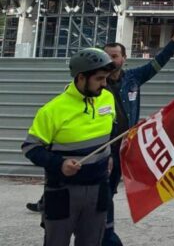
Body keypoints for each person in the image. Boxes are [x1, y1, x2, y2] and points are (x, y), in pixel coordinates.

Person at [96, 25, 174, 245]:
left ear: (124, 59)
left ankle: (102, 230)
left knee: (109, 191)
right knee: (103, 192)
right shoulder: (96, 84)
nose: (111, 60)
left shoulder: (133, 78)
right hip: (101, 149)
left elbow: (156, 65)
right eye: (106, 56)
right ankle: (106, 236)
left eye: (115, 56)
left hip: (124, 149)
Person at [22, 48, 117, 246]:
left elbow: (111, 133)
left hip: (98, 188)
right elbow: (30, 148)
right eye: (99, 79)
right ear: (81, 77)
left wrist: (109, 156)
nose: (104, 84)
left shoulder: (107, 98)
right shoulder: (52, 110)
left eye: (106, 78)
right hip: (62, 192)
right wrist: (59, 164)